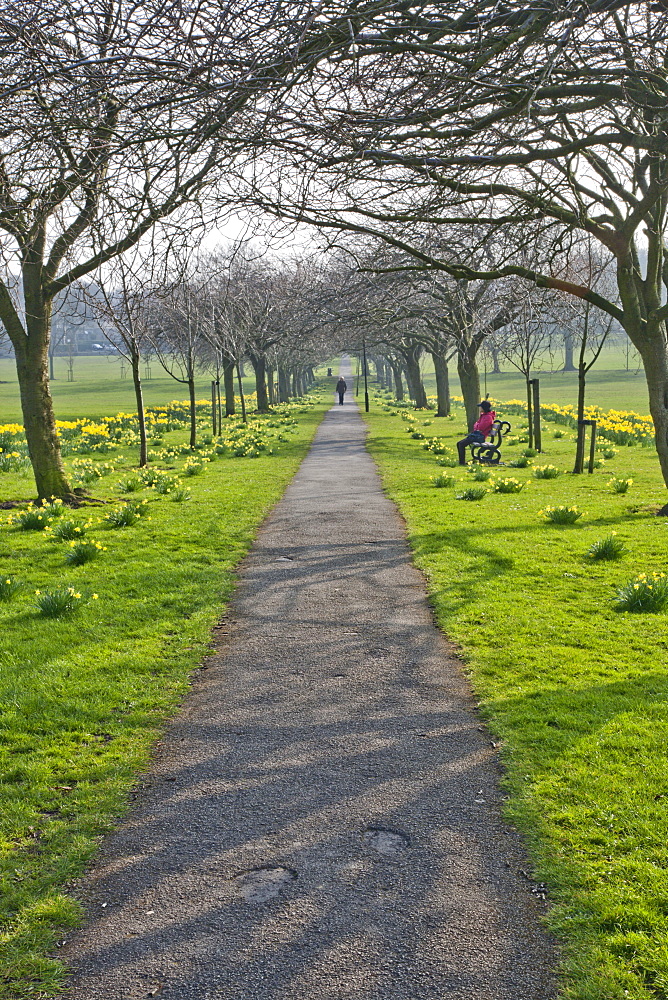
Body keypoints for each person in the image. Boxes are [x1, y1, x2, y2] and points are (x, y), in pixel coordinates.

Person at [457, 400, 496, 465]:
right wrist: (477, 425)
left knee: (461, 444)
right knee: (459, 443)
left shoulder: (488, 417)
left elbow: (479, 427)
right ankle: (462, 462)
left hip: (480, 437)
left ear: (484, 408)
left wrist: (477, 425)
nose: (480, 408)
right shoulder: (484, 415)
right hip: (477, 435)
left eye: (481, 407)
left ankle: (462, 462)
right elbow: (476, 425)